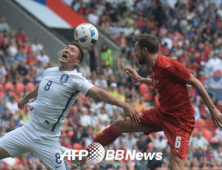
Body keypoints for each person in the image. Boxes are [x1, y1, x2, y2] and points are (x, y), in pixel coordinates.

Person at [82, 34, 222, 170]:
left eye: (136, 50)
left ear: (145, 50)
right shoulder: (154, 67)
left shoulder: (169, 64)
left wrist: (212, 109)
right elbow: (160, 82)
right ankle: (84, 154)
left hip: (181, 121)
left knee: (175, 167)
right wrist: (140, 80)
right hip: (162, 114)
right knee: (120, 124)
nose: (135, 53)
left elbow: (196, 82)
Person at [0, 42, 139, 170]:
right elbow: (42, 86)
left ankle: (72, 154)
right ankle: (73, 153)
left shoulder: (76, 79)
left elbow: (98, 92)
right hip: (28, 130)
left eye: (72, 50)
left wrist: (123, 104)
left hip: (47, 138)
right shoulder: (50, 71)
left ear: (77, 62)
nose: (67, 50)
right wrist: (25, 98)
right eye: (67, 48)